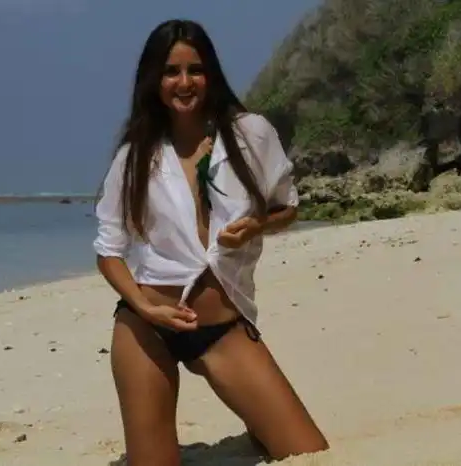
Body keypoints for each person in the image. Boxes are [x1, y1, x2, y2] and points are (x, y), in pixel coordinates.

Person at [93, 18, 329, 466]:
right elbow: (109, 250)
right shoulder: (136, 155)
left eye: (195, 70)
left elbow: (288, 207)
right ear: (154, 80)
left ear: (211, 73)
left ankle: (258, 426)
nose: (184, 83)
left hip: (222, 328)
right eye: (171, 72)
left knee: (307, 453)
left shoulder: (251, 134)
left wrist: (256, 226)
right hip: (146, 329)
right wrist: (144, 307)